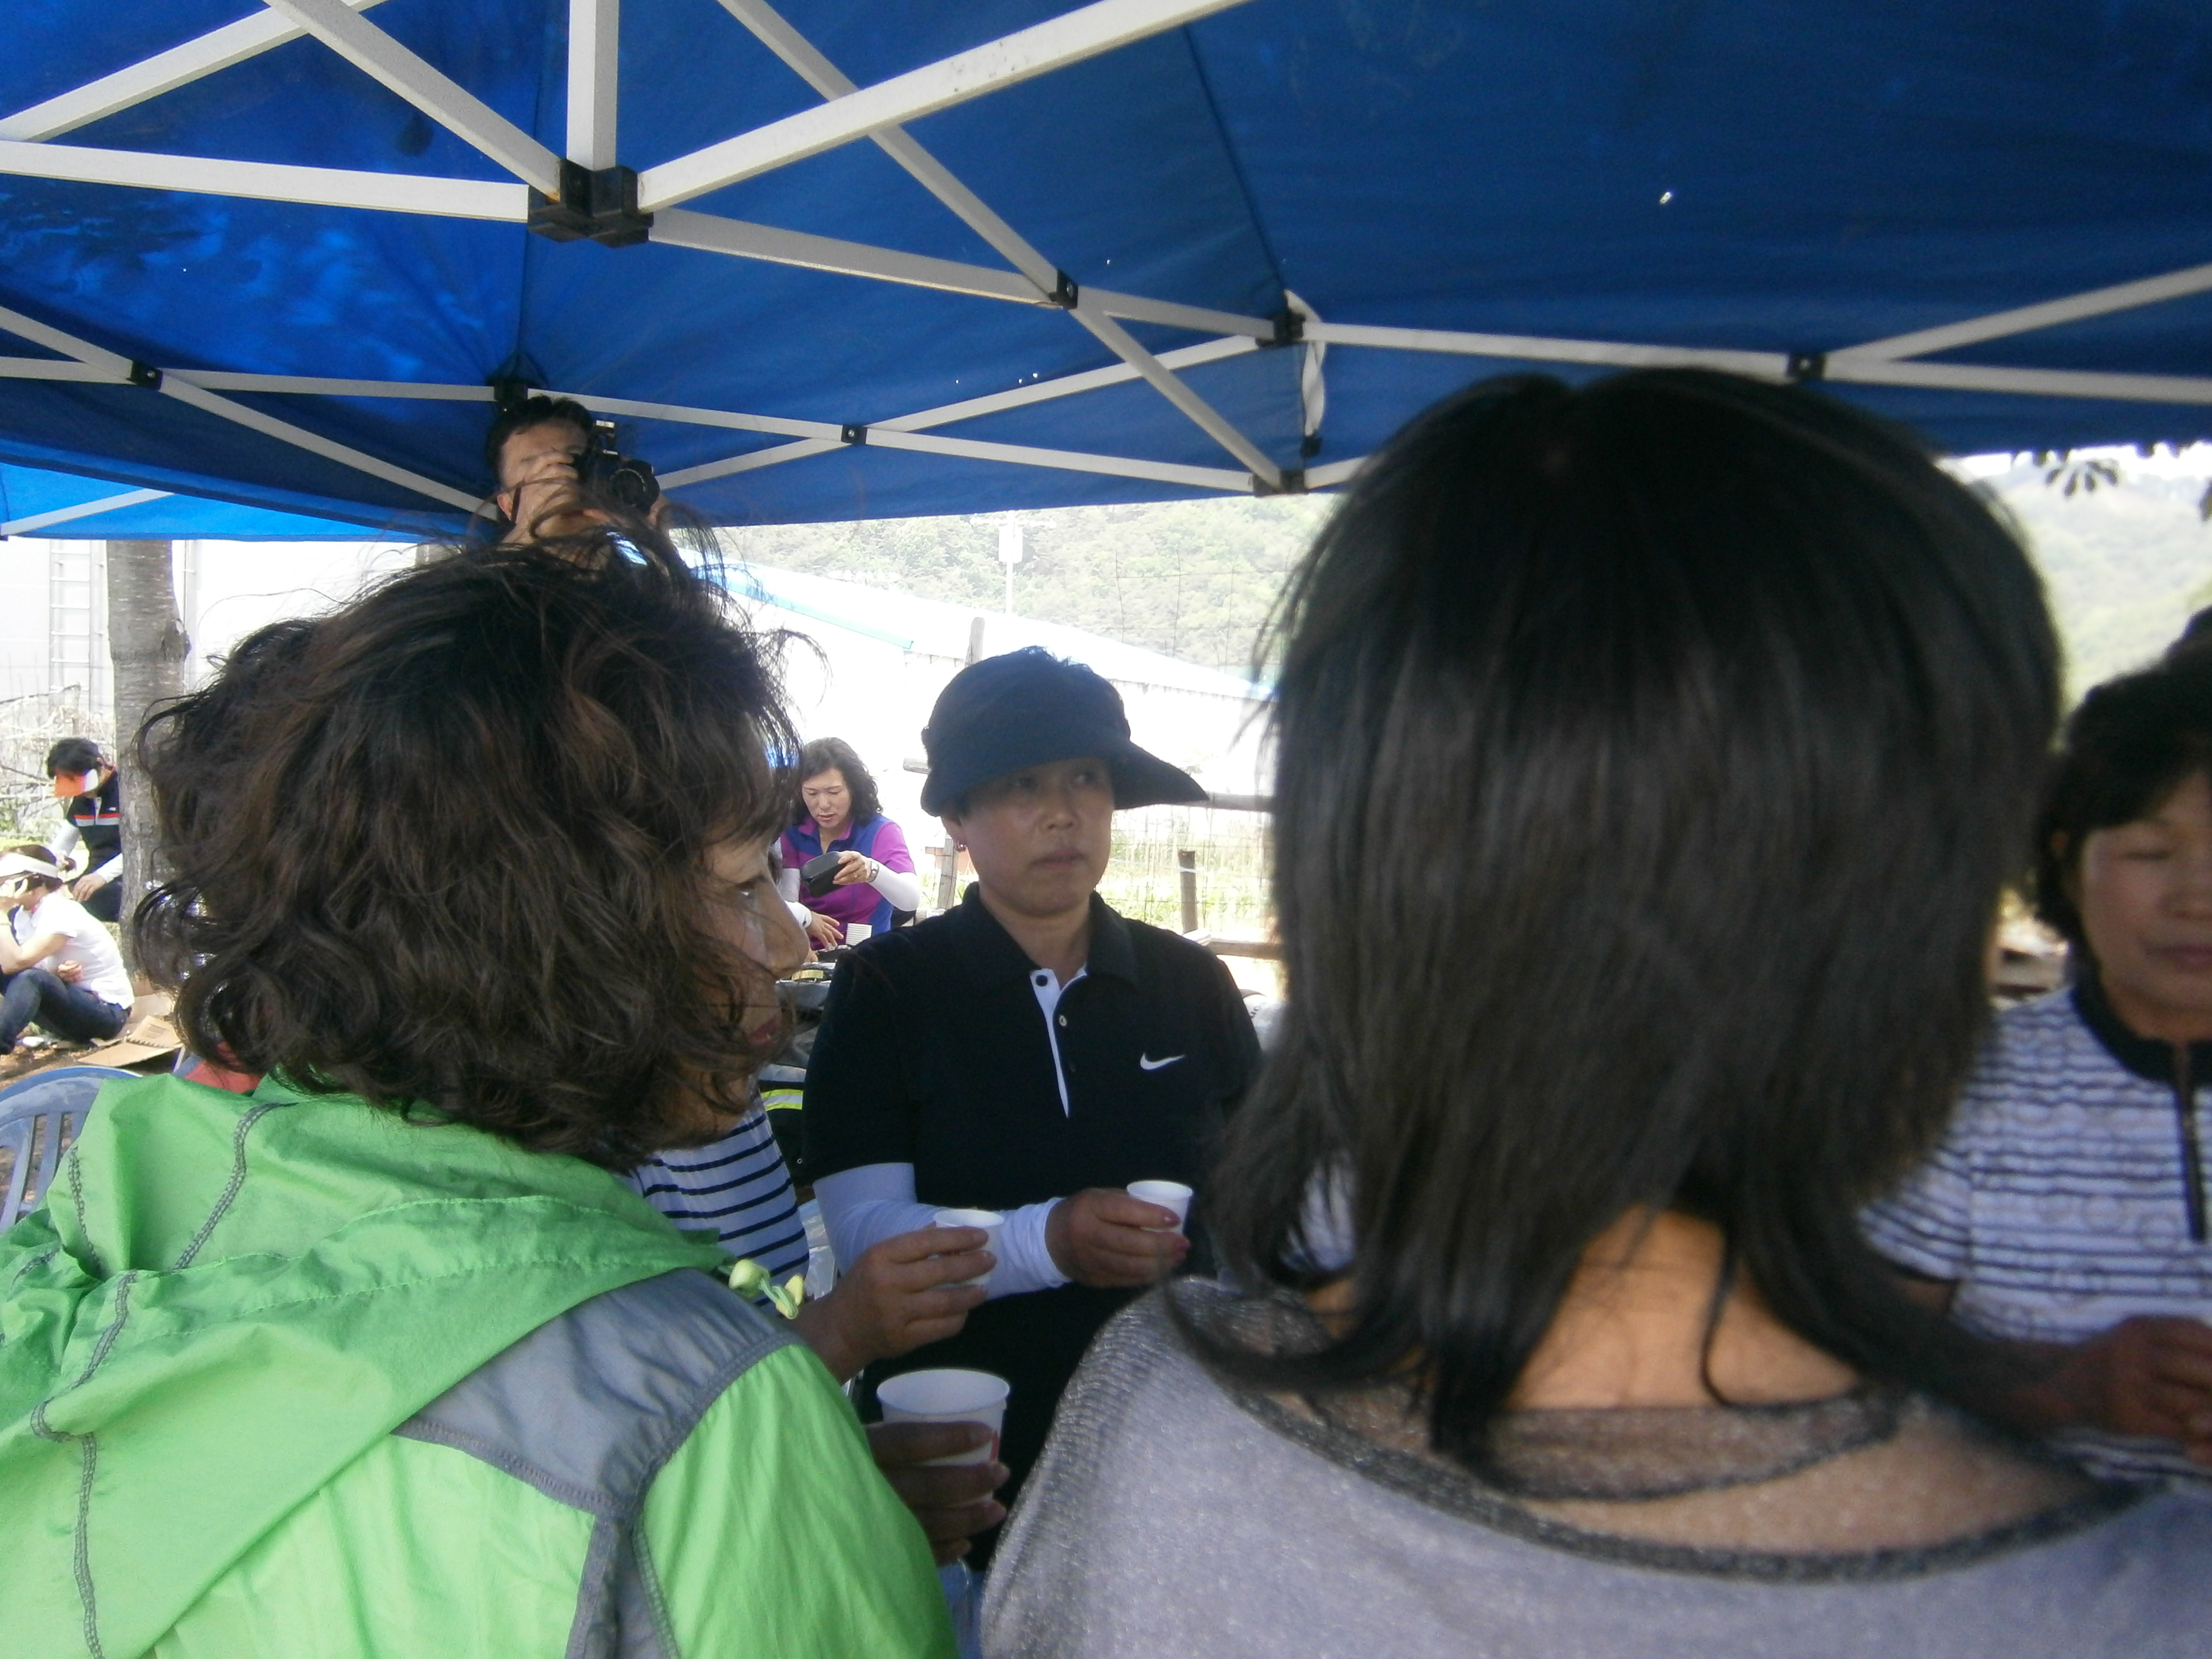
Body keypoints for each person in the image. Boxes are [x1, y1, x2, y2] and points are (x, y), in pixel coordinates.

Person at [984, 371, 2212, 1658]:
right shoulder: (2132, 1610)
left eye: (1086, 782)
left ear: (1359, 876)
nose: (1065, 815)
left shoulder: (1159, 1427)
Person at [0, 530, 962, 1656]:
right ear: (547, 929)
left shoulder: (79, 1228)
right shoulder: (701, 1401)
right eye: (746, 882)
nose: (786, 944)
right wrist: (800, 1522)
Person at [804, 647, 1262, 1568]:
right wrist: (1049, 1241)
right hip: (963, 1474)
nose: (1063, 812)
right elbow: (867, 1238)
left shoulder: (1190, 983)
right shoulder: (888, 989)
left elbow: (1263, 1203)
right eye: (1022, 784)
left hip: (1176, 1463)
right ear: (956, 815)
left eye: (1086, 778)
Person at [1864, 650, 2212, 1493]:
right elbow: (1869, 1356)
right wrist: (2065, 1386)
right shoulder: (1962, 1087)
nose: (2196, 896)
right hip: (2030, 1564)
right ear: (2066, 862)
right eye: (2149, 852)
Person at [781, 736, 924, 947]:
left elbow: (910, 899)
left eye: (834, 792)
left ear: (854, 789)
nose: (823, 804)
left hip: (866, 953)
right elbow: (787, 900)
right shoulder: (792, 832)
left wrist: (871, 871)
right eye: (812, 793)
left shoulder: (881, 832)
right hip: (806, 953)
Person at [0, 843, 132, 1052]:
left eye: (5, 880)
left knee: (32, 978)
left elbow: (16, 965)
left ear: (34, 880)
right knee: (30, 976)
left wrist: (1, 913)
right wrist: (56, 973)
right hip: (71, 1009)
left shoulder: (60, 910)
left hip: (107, 1013)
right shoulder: (24, 916)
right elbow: (19, 966)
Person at [43, 734, 123, 921]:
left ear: (100, 764)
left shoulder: (127, 791)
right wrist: (47, 865)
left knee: (79, 903)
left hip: (124, 878)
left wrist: (103, 876)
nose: (82, 793)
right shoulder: (81, 801)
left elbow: (142, 849)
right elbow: (62, 844)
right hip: (92, 878)